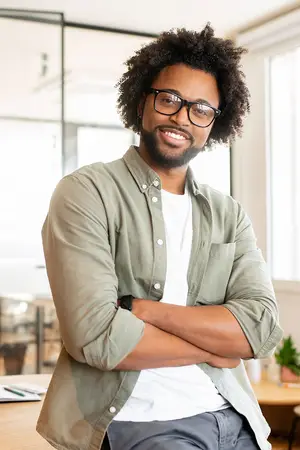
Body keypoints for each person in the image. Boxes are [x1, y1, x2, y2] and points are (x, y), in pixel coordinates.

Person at [37, 24, 283, 450]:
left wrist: (146, 311)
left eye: (201, 109)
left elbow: (260, 331)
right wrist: (216, 348)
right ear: (142, 100)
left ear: (214, 124)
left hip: (239, 417)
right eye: (169, 99)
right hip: (145, 424)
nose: (181, 118)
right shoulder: (86, 193)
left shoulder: (229, 214)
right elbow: (97, 338)